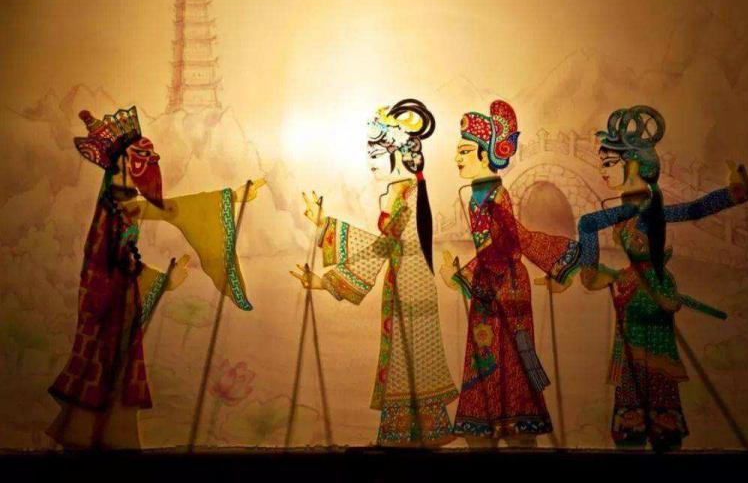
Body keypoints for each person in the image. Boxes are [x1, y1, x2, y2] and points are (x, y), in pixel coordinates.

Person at [47, 106, 263, 449]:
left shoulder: (123, 205)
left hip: (118, 304)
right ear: (119, 167)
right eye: (131, 164)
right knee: (108, 371)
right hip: (108, 307)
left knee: (111, 373)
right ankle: (95, 438)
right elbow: (111, 266)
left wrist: (231, 197)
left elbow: (170, 210)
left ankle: (98, 437)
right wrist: (163, 282)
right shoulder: (112, 211)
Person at [577, 105, 748, 451]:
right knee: (647, 371)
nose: (601, 171)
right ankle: (654, 425)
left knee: (642, 372)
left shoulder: (641, 207)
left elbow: (588, 223)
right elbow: (691, 210)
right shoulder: (641, 205)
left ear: (632, 164)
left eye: (608, 163)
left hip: (648, 295)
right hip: (642, 295)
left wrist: (590, 271)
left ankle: (643, 426)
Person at [290, 99, 458, 446]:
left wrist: (326, 234)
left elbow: (382, 247)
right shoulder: (405, 193)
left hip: (411, 291)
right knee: (412, 362)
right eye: (370, 154)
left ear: (400, 154)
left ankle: (404, 436)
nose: (370, 163)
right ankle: (422, 433)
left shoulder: (405, 197)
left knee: (408, 362)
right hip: (409, 285)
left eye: (377, 154)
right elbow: (386, 246)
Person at [439, 100, 580, 447]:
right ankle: (490, 420)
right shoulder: (480, 193)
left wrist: (461, 276)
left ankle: (508, 422)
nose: (457, 158)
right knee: (490, 353)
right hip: (493, 281)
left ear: (485, 154)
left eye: (464, 151)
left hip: (504, 283)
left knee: (507, 356)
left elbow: (506, 243)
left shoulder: (492, 194)